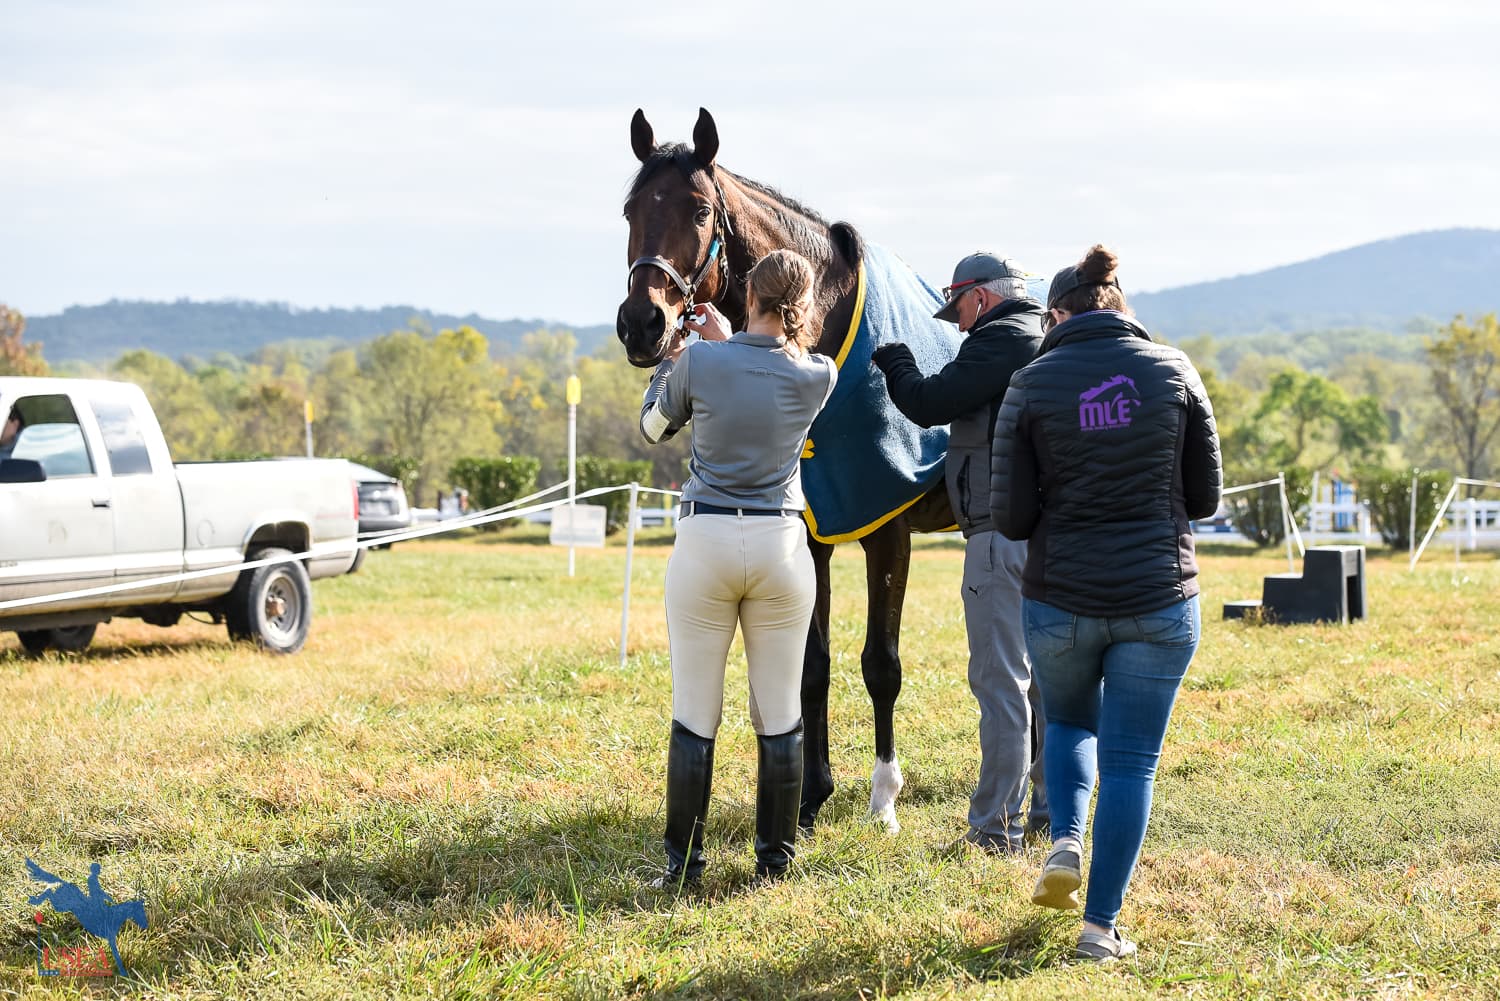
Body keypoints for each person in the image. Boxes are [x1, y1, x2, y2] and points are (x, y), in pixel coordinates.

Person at [990, 244, 1222, 961]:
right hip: (1159, 596)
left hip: (1061, 600)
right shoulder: (1175, 369)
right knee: (1131, 763)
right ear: (1119, 303)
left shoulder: (1029, 384)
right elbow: (1205, 498)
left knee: (1067, 721)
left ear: (1057, 316)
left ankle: (1064, 838)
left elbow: (1011, 517)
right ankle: (1099, 930)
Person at [638, 248, 837, 886]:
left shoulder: (700, 361)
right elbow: (772, 366)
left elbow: (652, 428)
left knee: (695, 712)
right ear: (802, 307)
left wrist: (675, 357)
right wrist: (733, 344)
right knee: (779, 713)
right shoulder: (819, 375)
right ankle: (774, 863)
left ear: (748, 295)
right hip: (781, 547)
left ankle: (683, 866)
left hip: (707, 541)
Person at [870, 252, 1047, 854]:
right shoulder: (1044, 333)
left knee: (1002, 684)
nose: (961, 324)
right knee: (1045, 684)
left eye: (961, 310)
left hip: (1000, 534)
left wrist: (895, 360)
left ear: (980, 297)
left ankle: (995, 829)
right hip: (1048, 536)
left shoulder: (1001, 340)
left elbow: (928, 402)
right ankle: (1049, 813)